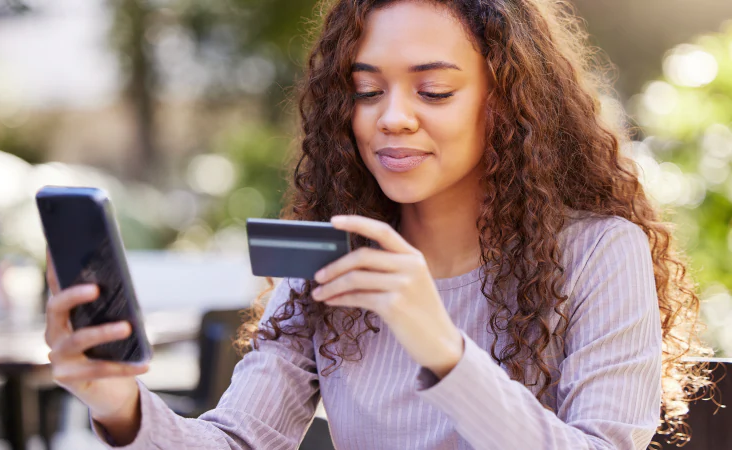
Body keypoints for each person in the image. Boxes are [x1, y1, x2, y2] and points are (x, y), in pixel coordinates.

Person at [44, 1, 712, 448]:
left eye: (433, 90)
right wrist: (117, 402)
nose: (390, 116)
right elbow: (238, 441)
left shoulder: (597, 253)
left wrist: (440, 345)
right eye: (367, 90)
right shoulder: (332, 261)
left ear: (507, 103)